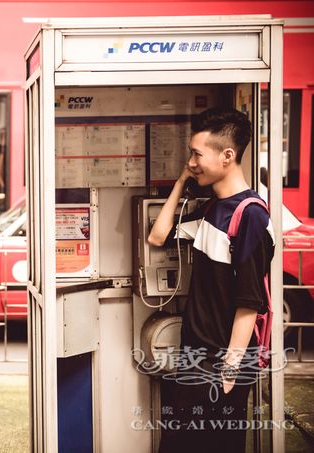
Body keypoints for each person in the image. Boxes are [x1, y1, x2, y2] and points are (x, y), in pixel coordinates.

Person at [148, 108, 274, 452]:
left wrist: (229, 370)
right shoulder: (212, 209)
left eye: (196, 154)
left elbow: (250, 302)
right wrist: (179, 183)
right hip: (197, 355)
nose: (191, 162)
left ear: (227, 155)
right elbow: (157, 238)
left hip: (221, 362)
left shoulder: (251, 216)